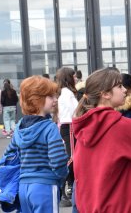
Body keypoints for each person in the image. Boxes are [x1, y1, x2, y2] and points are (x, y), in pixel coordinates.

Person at [72, 67, 131, 212]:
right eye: (119, 86)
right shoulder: (124, 127)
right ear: (105, 94)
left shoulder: (82, 128)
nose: (125, 90)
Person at [2, 75, 68, 212]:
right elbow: (58, 160)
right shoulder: (49, 128)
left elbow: (9, 155)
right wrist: (62, 177)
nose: (56, 99)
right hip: (45, 186)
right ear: (36, 100)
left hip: (23, 187)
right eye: (51, 96)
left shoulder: (20, 127)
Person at [56, 67, 78, 207]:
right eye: (74, 76)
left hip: (67, 126)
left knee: (72, 157)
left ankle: (67, 187)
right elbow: (74, 113)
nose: (76, 78)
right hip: (69, 126)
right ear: (68, 77)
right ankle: (62, 186)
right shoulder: (67, 93)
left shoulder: (65, 92)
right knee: (71, 158)